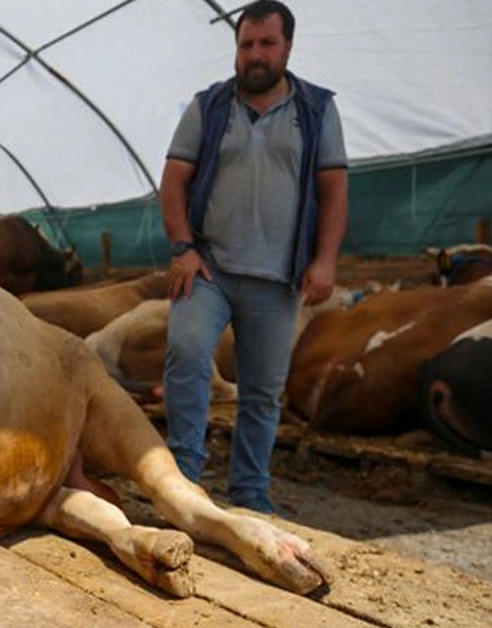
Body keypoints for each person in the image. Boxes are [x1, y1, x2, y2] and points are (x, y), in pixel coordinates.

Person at [158, 0, 348, 513]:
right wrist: (183, 247)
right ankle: (183, 479)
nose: (255, 55)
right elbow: (174, 180)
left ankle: (249, 494)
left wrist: (325, 260)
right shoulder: (209, 106)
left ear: (287, 46)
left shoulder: (317, 110)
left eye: (266, 44)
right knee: (188, 355)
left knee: (263, 392)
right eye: (246, 45)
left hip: (277, 275)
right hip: (210, 268)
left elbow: (333, 189)